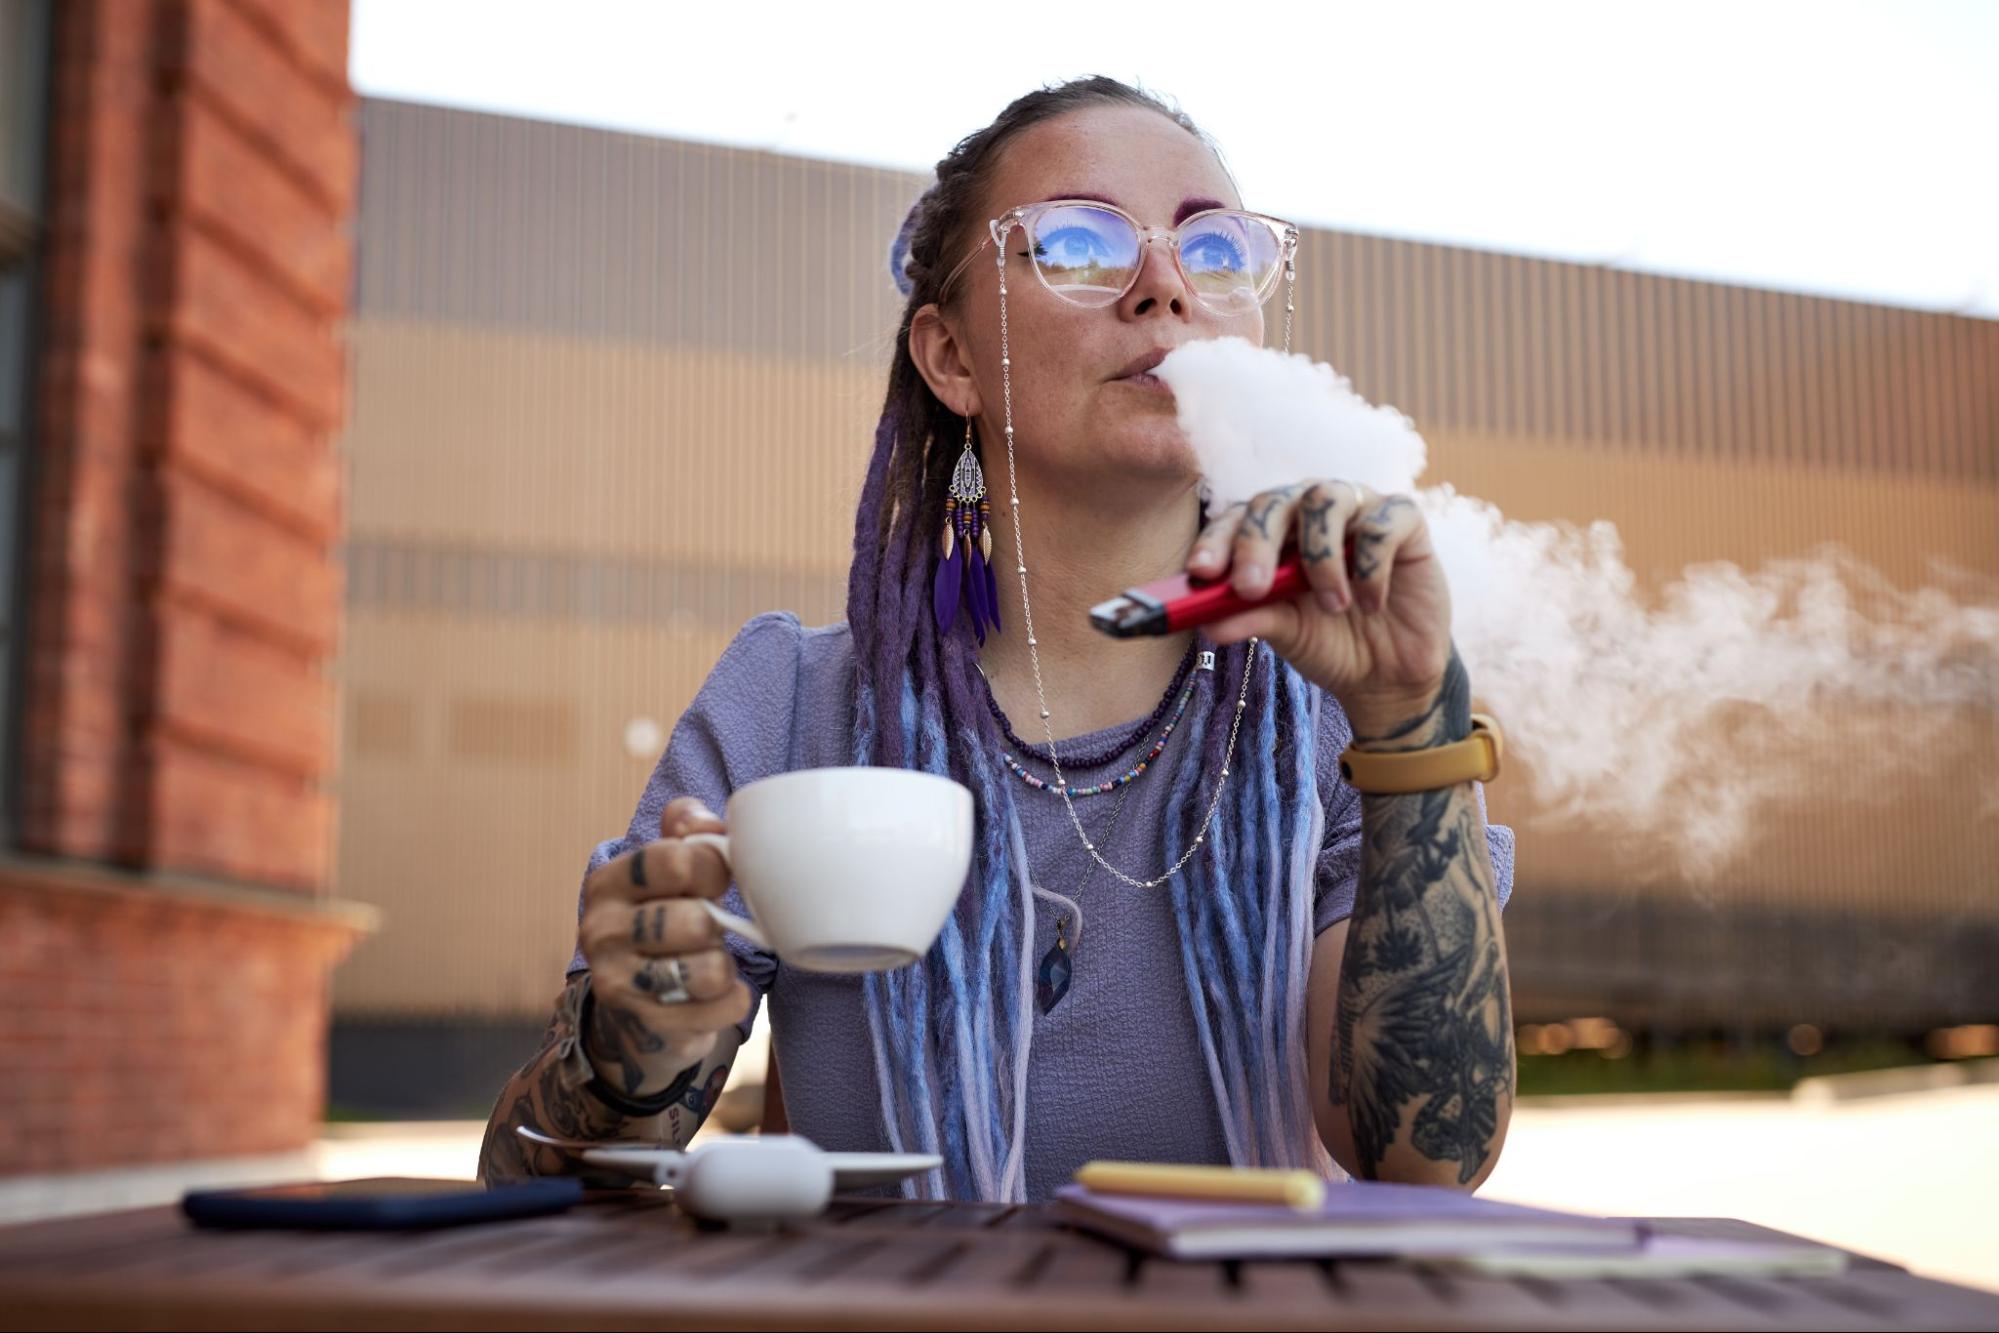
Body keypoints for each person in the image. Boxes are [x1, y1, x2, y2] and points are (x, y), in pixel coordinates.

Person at [479, 76, 1516, 1202]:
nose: (1165, 286)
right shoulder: (790, 703)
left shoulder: (1339, 710)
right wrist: (626, 1055)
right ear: (951, 358)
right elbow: (526, 1189)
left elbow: (1427, 1154)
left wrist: (1412, 717)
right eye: (1077, 242)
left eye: (1214, 251)